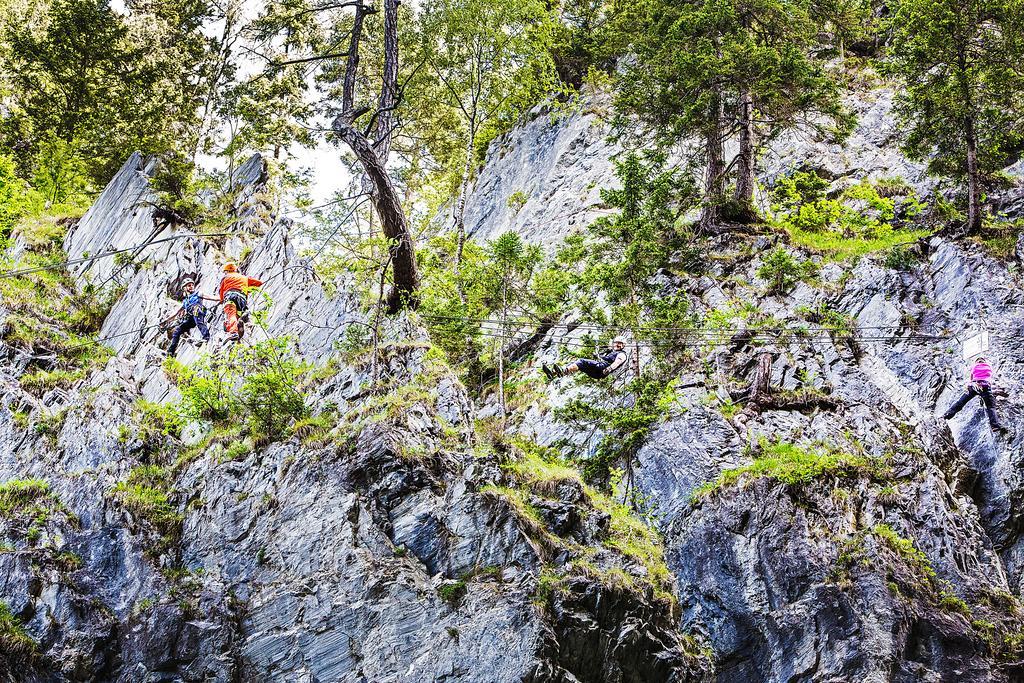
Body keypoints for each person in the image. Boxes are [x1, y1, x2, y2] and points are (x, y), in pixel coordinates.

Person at [942, 356, 1006, 431]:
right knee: (990, 406)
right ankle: (995, 425)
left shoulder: (974, 366)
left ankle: (947, 415)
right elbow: (990, 376)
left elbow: (971, 378)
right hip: (985, 386)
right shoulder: (988, 367)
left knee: (961, 402)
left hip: (973, 386)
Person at [163, 278, 217, 357]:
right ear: (184, 288)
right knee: (177, 330)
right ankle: (171, 351)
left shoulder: (198, 293)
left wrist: (222, 298)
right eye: (189, 286)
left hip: (198, 312)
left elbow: (212, 297)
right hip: (191, 318)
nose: (191, 287)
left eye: (192, 285)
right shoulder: (185, 301)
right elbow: (176, 313)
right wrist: (166, 321)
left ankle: (206, 337)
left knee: (196, 311)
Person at [543, 337, 628, 380]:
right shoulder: (611, 352)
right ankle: (554, 374)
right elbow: (606, 354)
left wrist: (608, 369)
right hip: (598, 373)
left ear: (623, 346)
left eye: (620, 344)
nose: (618, 345)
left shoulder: (622, 354)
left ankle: (562, 371)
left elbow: (617, 362)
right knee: (578, 365)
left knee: (582, 361)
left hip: (602, 368)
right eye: (617, 343)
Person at [218, 262, 263, 341]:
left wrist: (222, 300)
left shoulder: (225, 278)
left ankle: (234, 332)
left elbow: (221, 293)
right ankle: (242, 323)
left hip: (230, 297)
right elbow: (259, 283)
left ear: (227, 271)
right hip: (242, 298)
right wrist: (247, 289)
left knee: (231, 314)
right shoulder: (244, 277)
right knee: (238, 314)